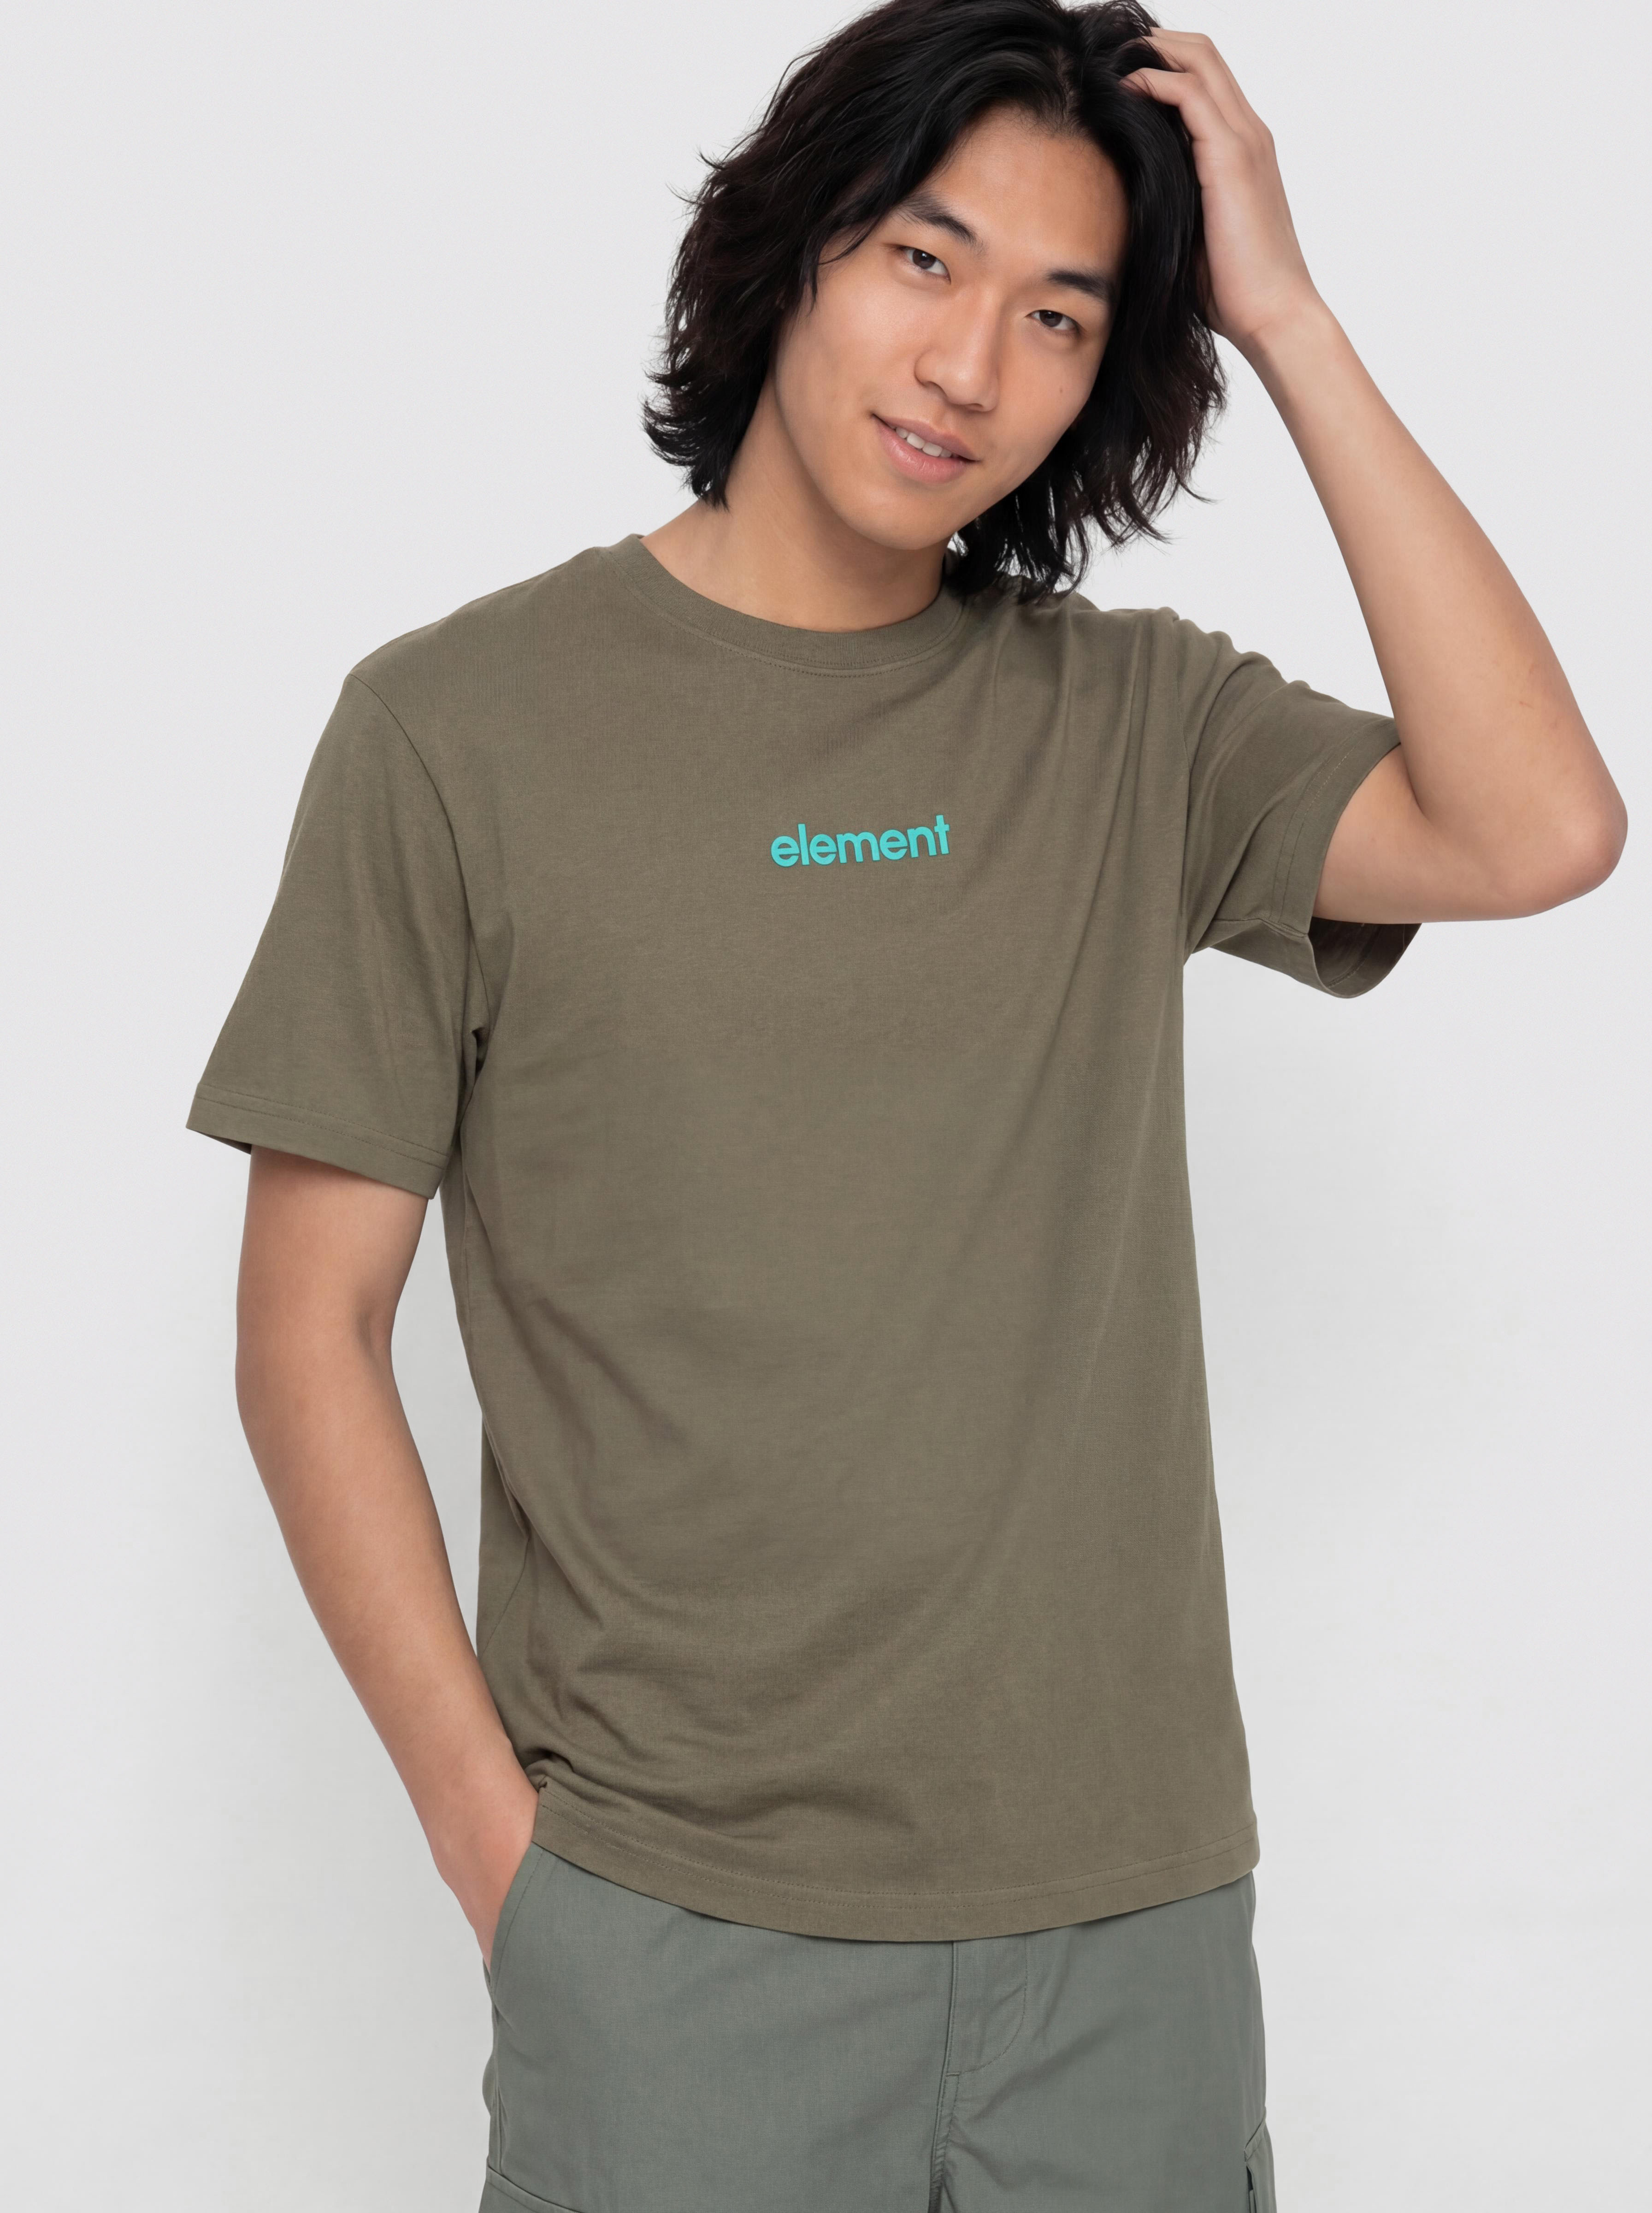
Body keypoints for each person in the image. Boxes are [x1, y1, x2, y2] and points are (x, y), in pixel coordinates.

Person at [185, 1, 1625, 2206]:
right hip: (668, 1934)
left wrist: (1285, 317)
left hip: (1125, 1935)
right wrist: (506, 1863)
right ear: (792, 250)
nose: (968, 365)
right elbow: (308, 1334)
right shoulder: (456, 732)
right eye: (922, 260)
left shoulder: (1130, 726)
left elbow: (1538, 828)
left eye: (1059, 316)